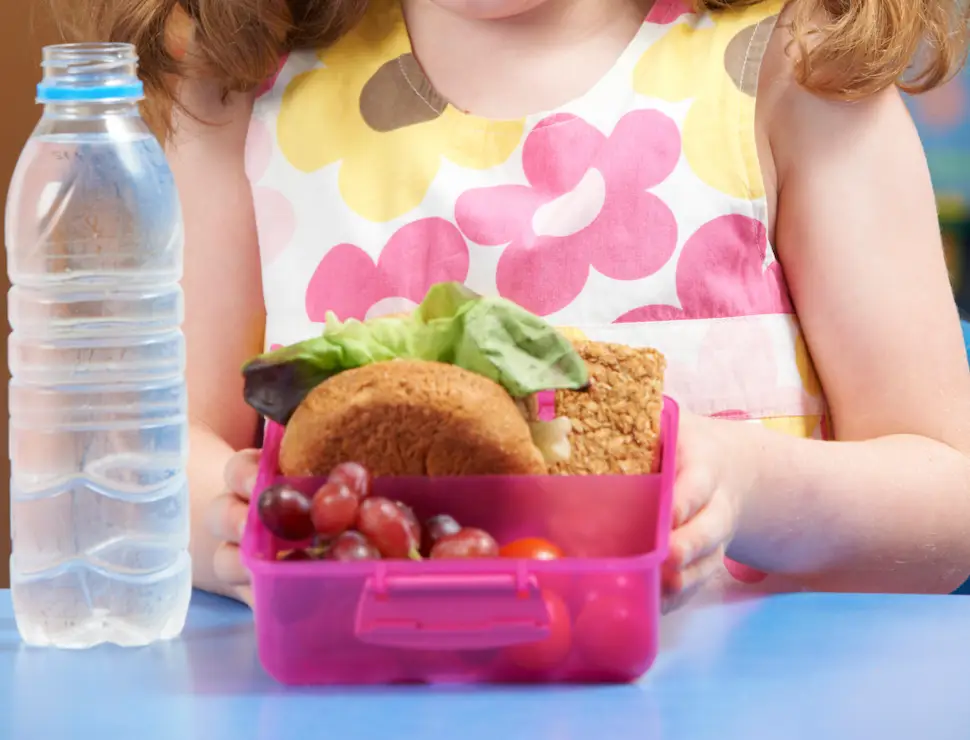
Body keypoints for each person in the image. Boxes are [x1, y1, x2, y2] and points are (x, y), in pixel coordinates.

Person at [53, 0, 970, 609]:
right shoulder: (240, 88)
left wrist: (754, 485)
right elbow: (151, 452)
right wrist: (216, 518)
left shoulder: (793, 71)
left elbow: (950, 497)